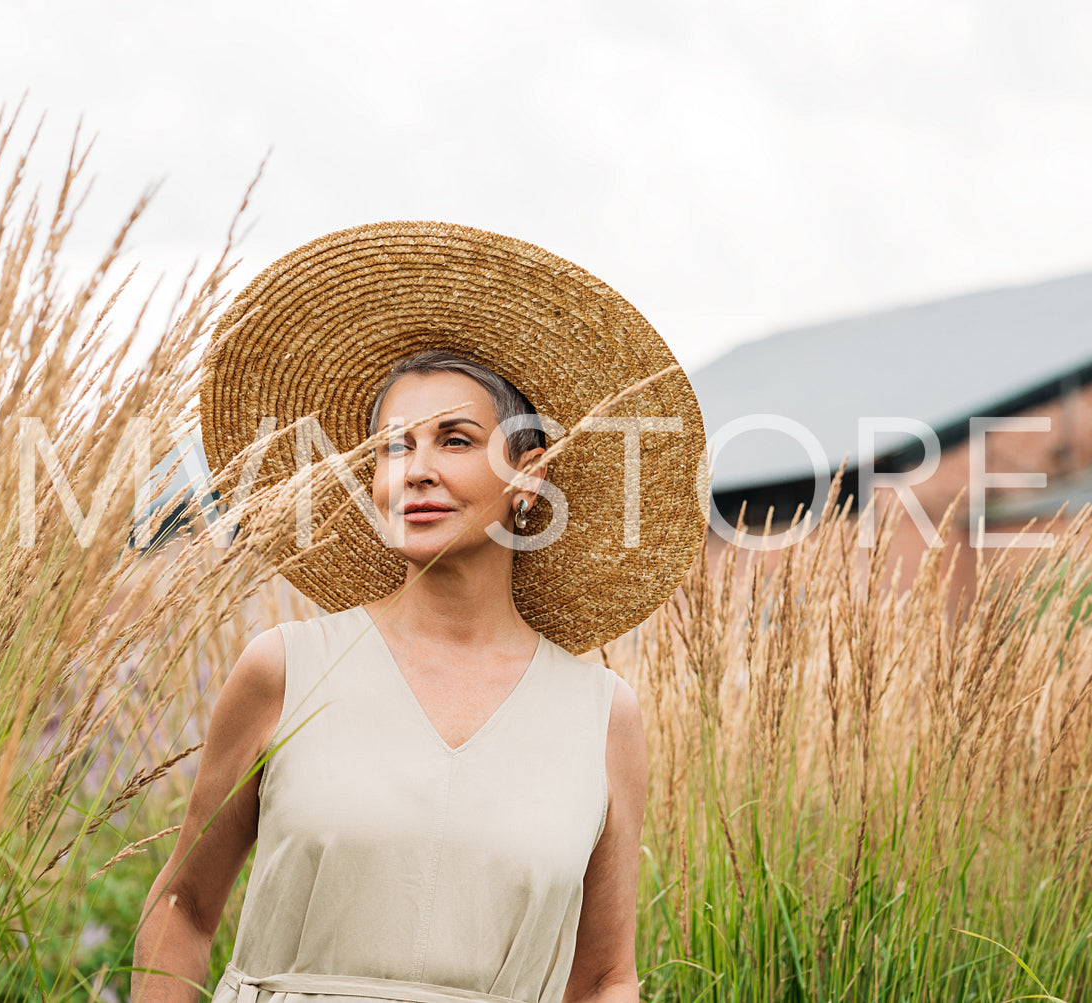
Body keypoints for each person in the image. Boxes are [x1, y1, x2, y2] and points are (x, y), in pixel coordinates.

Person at [131, 222, 707, 1003]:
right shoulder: (286, 669)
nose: (418, 470)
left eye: (455, 439)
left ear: (529, 477)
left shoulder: (601, 714)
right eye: (394, 446)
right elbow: (183, 906)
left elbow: (604, 975)